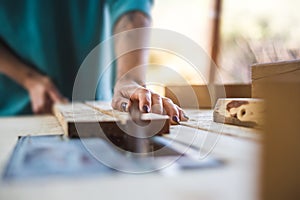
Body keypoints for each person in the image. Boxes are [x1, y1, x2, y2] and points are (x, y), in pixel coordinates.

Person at [0, 0, 188, 124]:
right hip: (11, 113)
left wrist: (130, 78)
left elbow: (131, 9)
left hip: (94, 111)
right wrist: (28, 79)